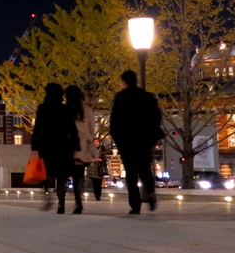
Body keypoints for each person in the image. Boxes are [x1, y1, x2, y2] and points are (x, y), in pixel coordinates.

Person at [109, 69, 162, 214]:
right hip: (144, 140)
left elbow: (115, 120)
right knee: (144, 168)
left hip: (127, 141)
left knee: (131, 173)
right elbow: (157, 117)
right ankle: (150, 192)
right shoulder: (147, 97)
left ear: (124, 81)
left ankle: (135, 204)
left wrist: (117, 138)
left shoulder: (121, 97)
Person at [31, 83, 78, 213]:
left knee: (45, 174)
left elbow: (37, 129)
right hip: (63, 144)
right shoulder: (66, 109)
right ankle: (61, 202)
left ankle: (48, 196)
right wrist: (76, 145)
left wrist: (35, 146)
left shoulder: (42, 108)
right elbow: (72, 129)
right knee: (61, 176)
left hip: (47, 144)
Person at [65, 85, 96, 214]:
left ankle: (63, 201)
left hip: (68, 146)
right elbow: (91, 128)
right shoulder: (86, 109)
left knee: (66, 175)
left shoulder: (66, 109)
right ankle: (79, 203)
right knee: (78, 176)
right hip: (82, 146)